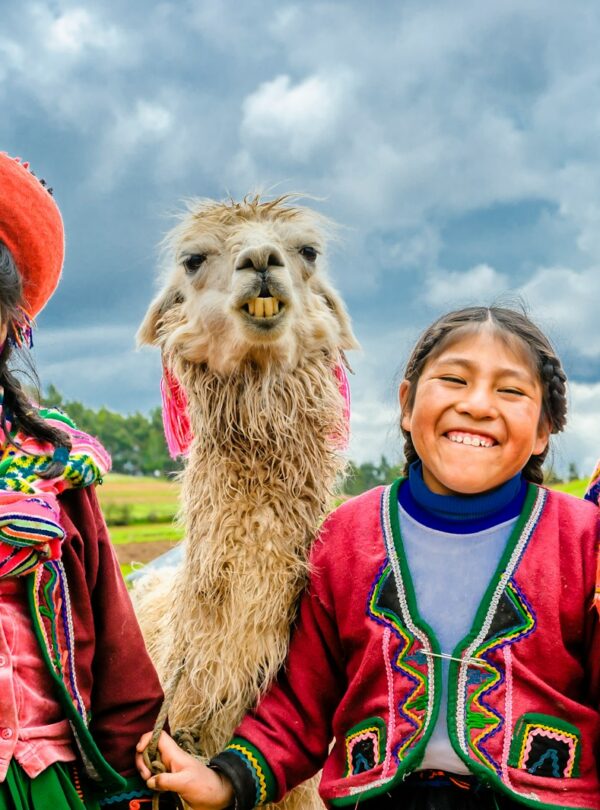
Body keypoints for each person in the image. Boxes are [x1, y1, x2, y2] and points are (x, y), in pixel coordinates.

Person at [137, 306, 600, 810]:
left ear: (543, 431)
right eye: (454, 380)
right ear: (407, 405)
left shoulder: (583, 541)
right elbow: (301, 703)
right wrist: (224, 782)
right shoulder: (349, 536)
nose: (476, 404)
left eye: (510, 390)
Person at [0, 152, 173, 809]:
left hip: (41, 780)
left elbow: (116, 649)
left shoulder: (53, 469)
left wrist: (133, 776)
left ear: (10, 325)